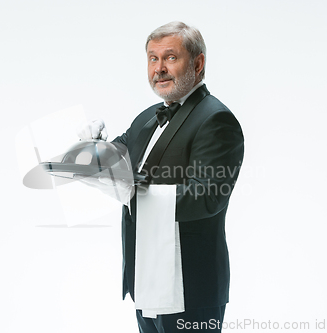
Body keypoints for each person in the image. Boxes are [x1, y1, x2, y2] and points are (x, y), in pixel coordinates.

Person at [81, 21, 244, 333]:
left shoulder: (216, 119)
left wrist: (136, 191)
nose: (159, 69)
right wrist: (91, 150)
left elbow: (208, 196)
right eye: (152, 59)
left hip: (190, 287)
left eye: (170, 58)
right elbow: (119, 156)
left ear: (197, 64)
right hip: (146, 278)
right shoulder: (146, 117)